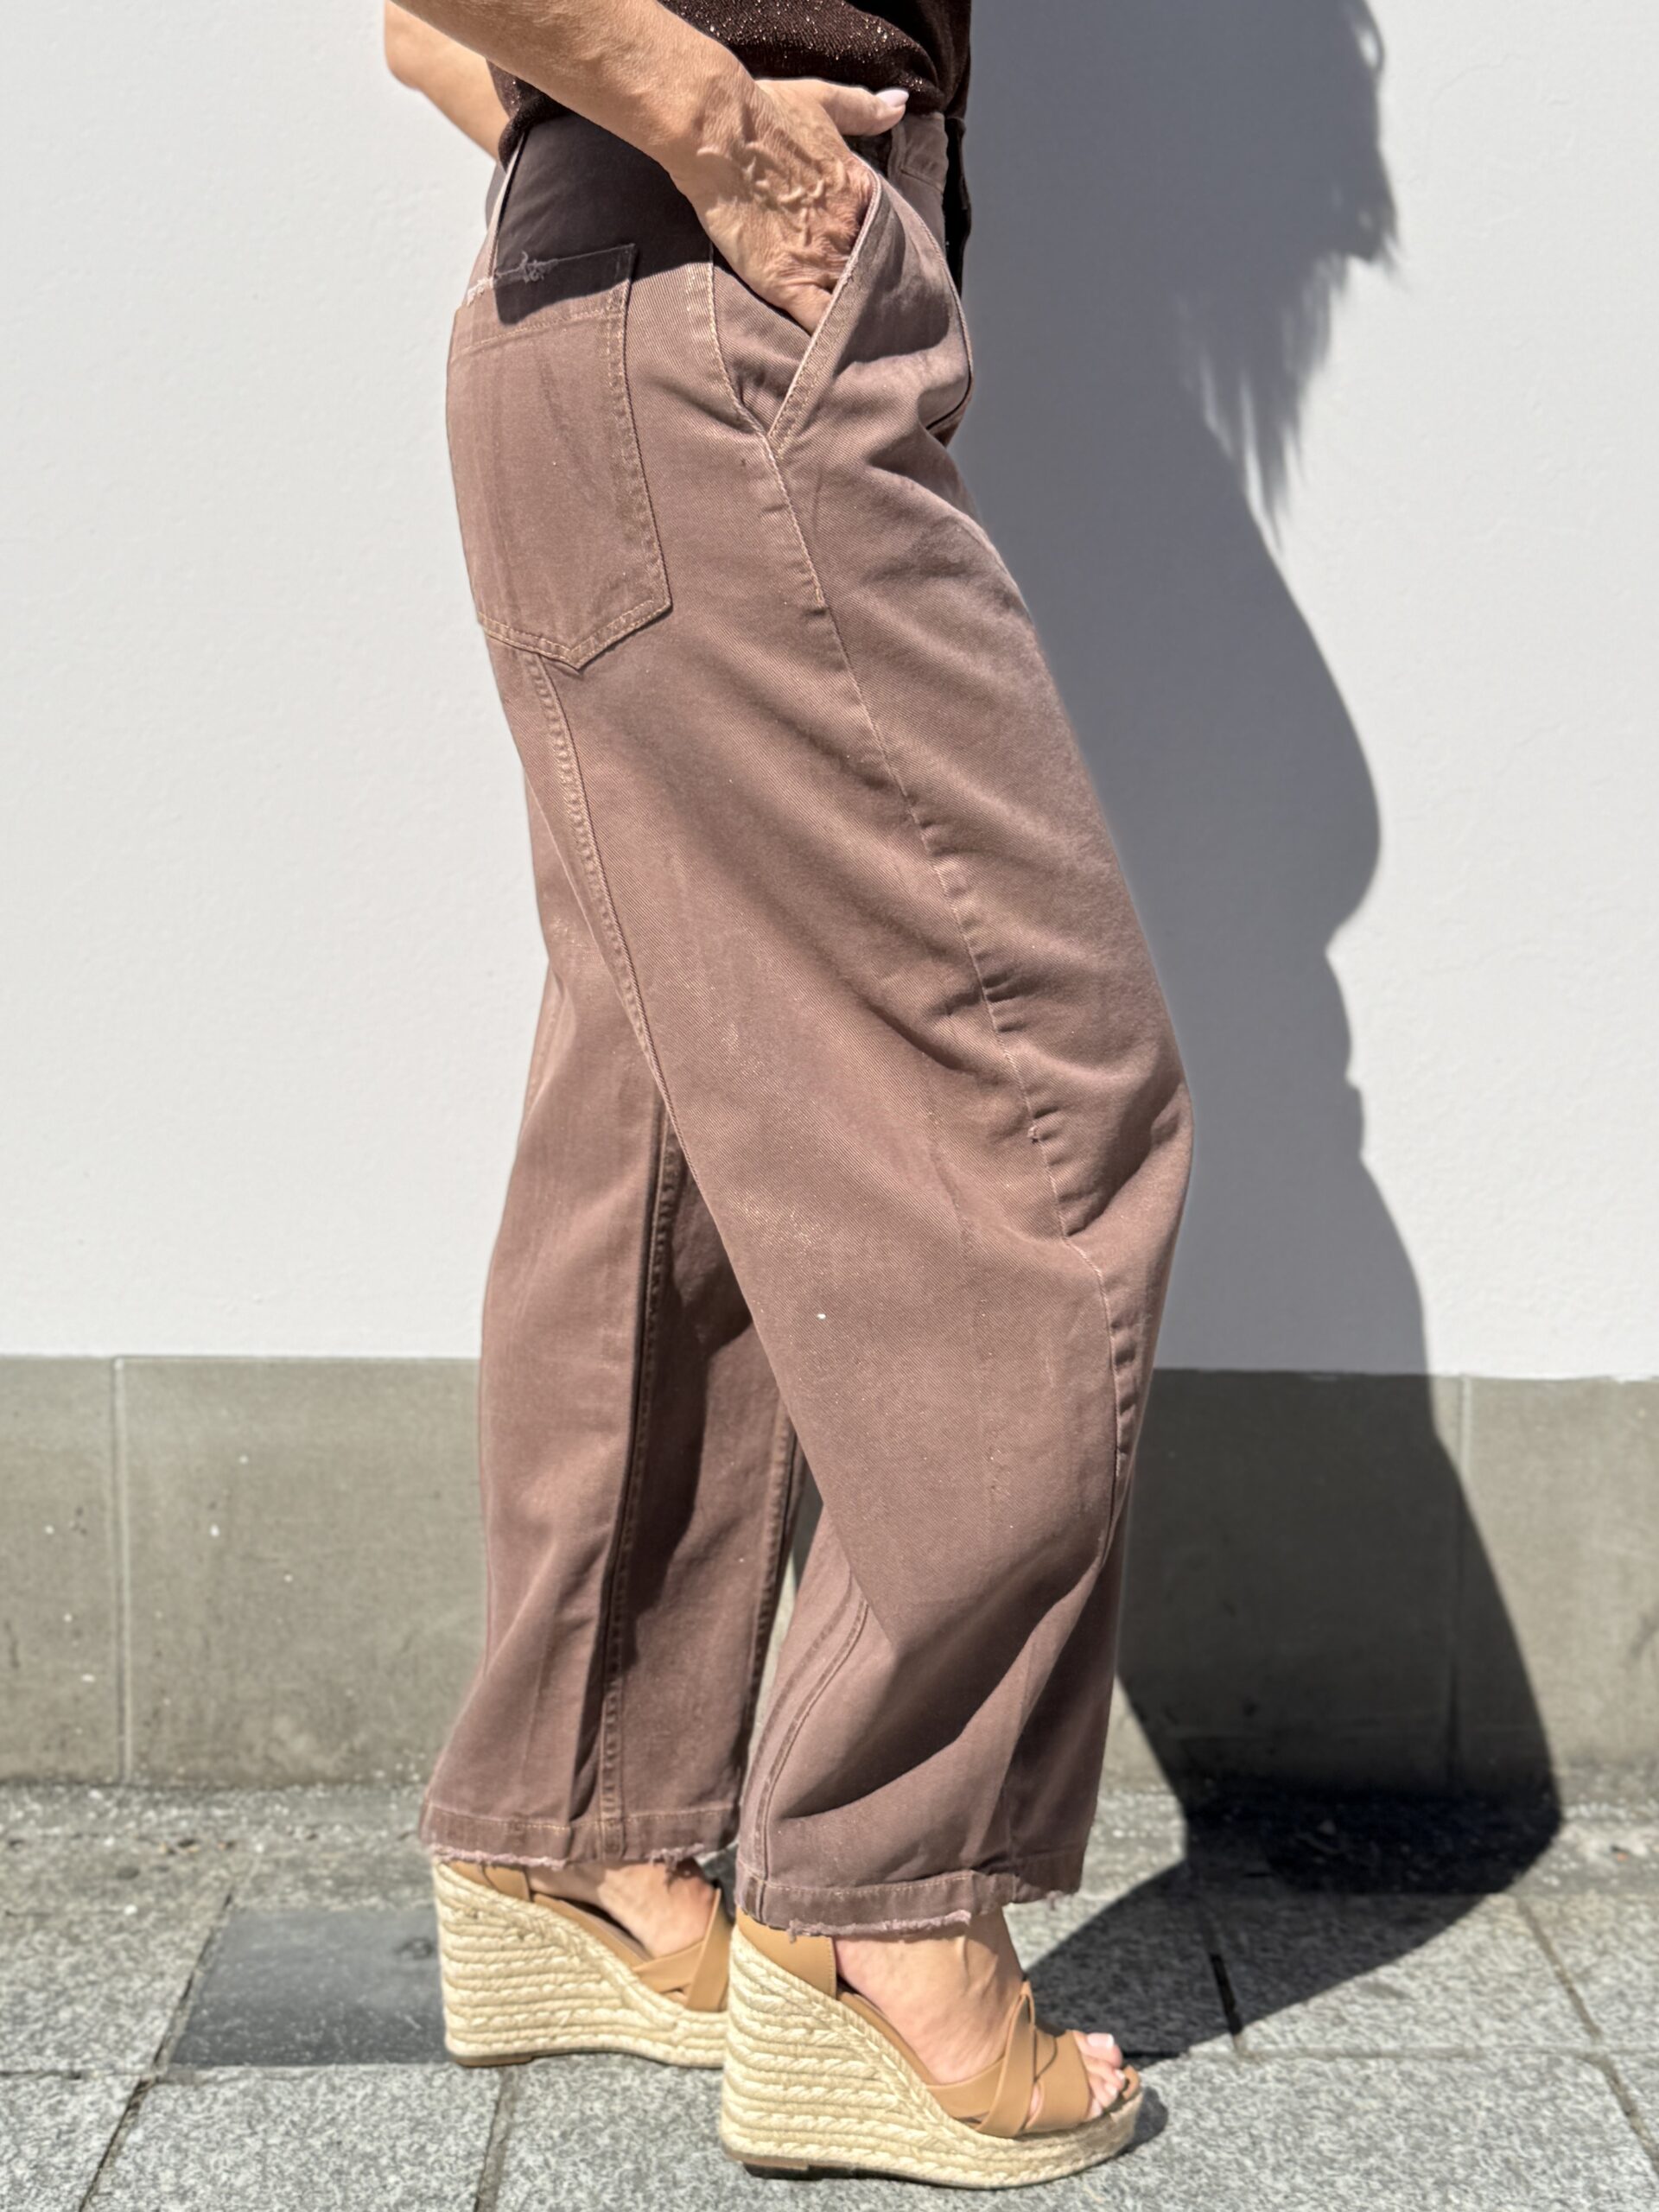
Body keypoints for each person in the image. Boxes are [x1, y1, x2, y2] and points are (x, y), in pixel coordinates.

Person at [385, 0, 1192, 2185]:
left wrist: (625, 137)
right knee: (1039, 1101)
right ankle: (882, 1909)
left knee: (673, 1097)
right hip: (710, 311)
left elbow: (409, 38)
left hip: (589, 317)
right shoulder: (727, 182)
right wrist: (718, 136)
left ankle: (583, 1825)